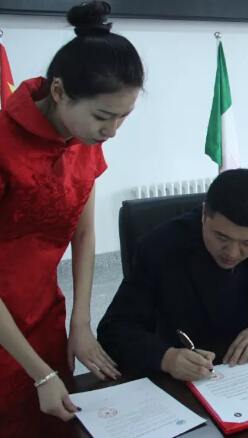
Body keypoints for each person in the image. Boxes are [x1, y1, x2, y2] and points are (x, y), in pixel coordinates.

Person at [0, 1, 145, 436]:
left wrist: (79, 322)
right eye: (103, 116)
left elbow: (83, 233)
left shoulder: (84, 140)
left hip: (44, 312)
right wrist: (39, 373)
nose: (112, 131)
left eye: (123, 117)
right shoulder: (4, 146)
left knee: (56, 422)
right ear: (60, 92)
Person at [97, 169, 248, 381]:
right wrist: (166, 358)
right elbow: (114, 329)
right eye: (222, 237)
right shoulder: (159, 247)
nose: (232, 253)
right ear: (204, 214)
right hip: (190, 377)